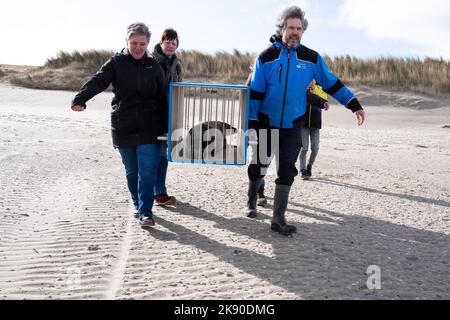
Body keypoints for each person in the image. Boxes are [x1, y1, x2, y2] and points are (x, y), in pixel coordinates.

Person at [246, 6, 365, 236]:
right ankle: (251, 200)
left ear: (303, 31)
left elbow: (331, 83)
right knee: (259, 166)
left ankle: (278, 219)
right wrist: (252, 124)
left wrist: (353, 104)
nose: (294, 32)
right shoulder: (266, 57)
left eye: (299, 28)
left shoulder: (311, 58)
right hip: (267, 123)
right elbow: (255, 94)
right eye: (290, 27)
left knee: (287, 170)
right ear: (282, 28)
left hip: (293, 125)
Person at [71, 23, 167, 229]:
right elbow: (98, 81)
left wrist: (167, 127)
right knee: (132, 171)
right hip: (123, 124)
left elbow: (162, 98)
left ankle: (146, 212)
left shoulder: (154, 65)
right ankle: (137, 203)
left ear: (148, 43)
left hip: (150, 125)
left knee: (148, 169)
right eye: (134, 43)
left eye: (142, 44)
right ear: (126, 41)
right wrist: (81, 98)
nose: (138, 48)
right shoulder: (116, 62)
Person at [255, 83, 329, 205]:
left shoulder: (289, 75)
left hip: (286, 128)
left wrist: (321, 101)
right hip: (266, 125)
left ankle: (279, 206)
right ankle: (259, 193)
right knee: (263, 162)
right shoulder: (260, 76)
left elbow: (301, 93)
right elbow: (249, 96)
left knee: (284, 166)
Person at [152, 28, 182, 206]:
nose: (170, 45)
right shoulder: (152, 61)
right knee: (152, 155)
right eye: (167, 42)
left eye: (173, 42)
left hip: (168, 115)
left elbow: (179, 89)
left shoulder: (177, 64)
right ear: (161, 43)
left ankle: (159, 192)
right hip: (152, 114)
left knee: (163, 154)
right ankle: (156, 193)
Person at [300, 82, 330, 180]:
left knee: (315, 148)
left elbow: (324, 99)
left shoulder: (320, 90)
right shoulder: (303, 89)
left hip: (316, 125)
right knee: (304, 148)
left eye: (313, 80)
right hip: (303, 125)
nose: (311, 81)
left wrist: (314, 88)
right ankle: (303, 169)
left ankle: (309, 166)